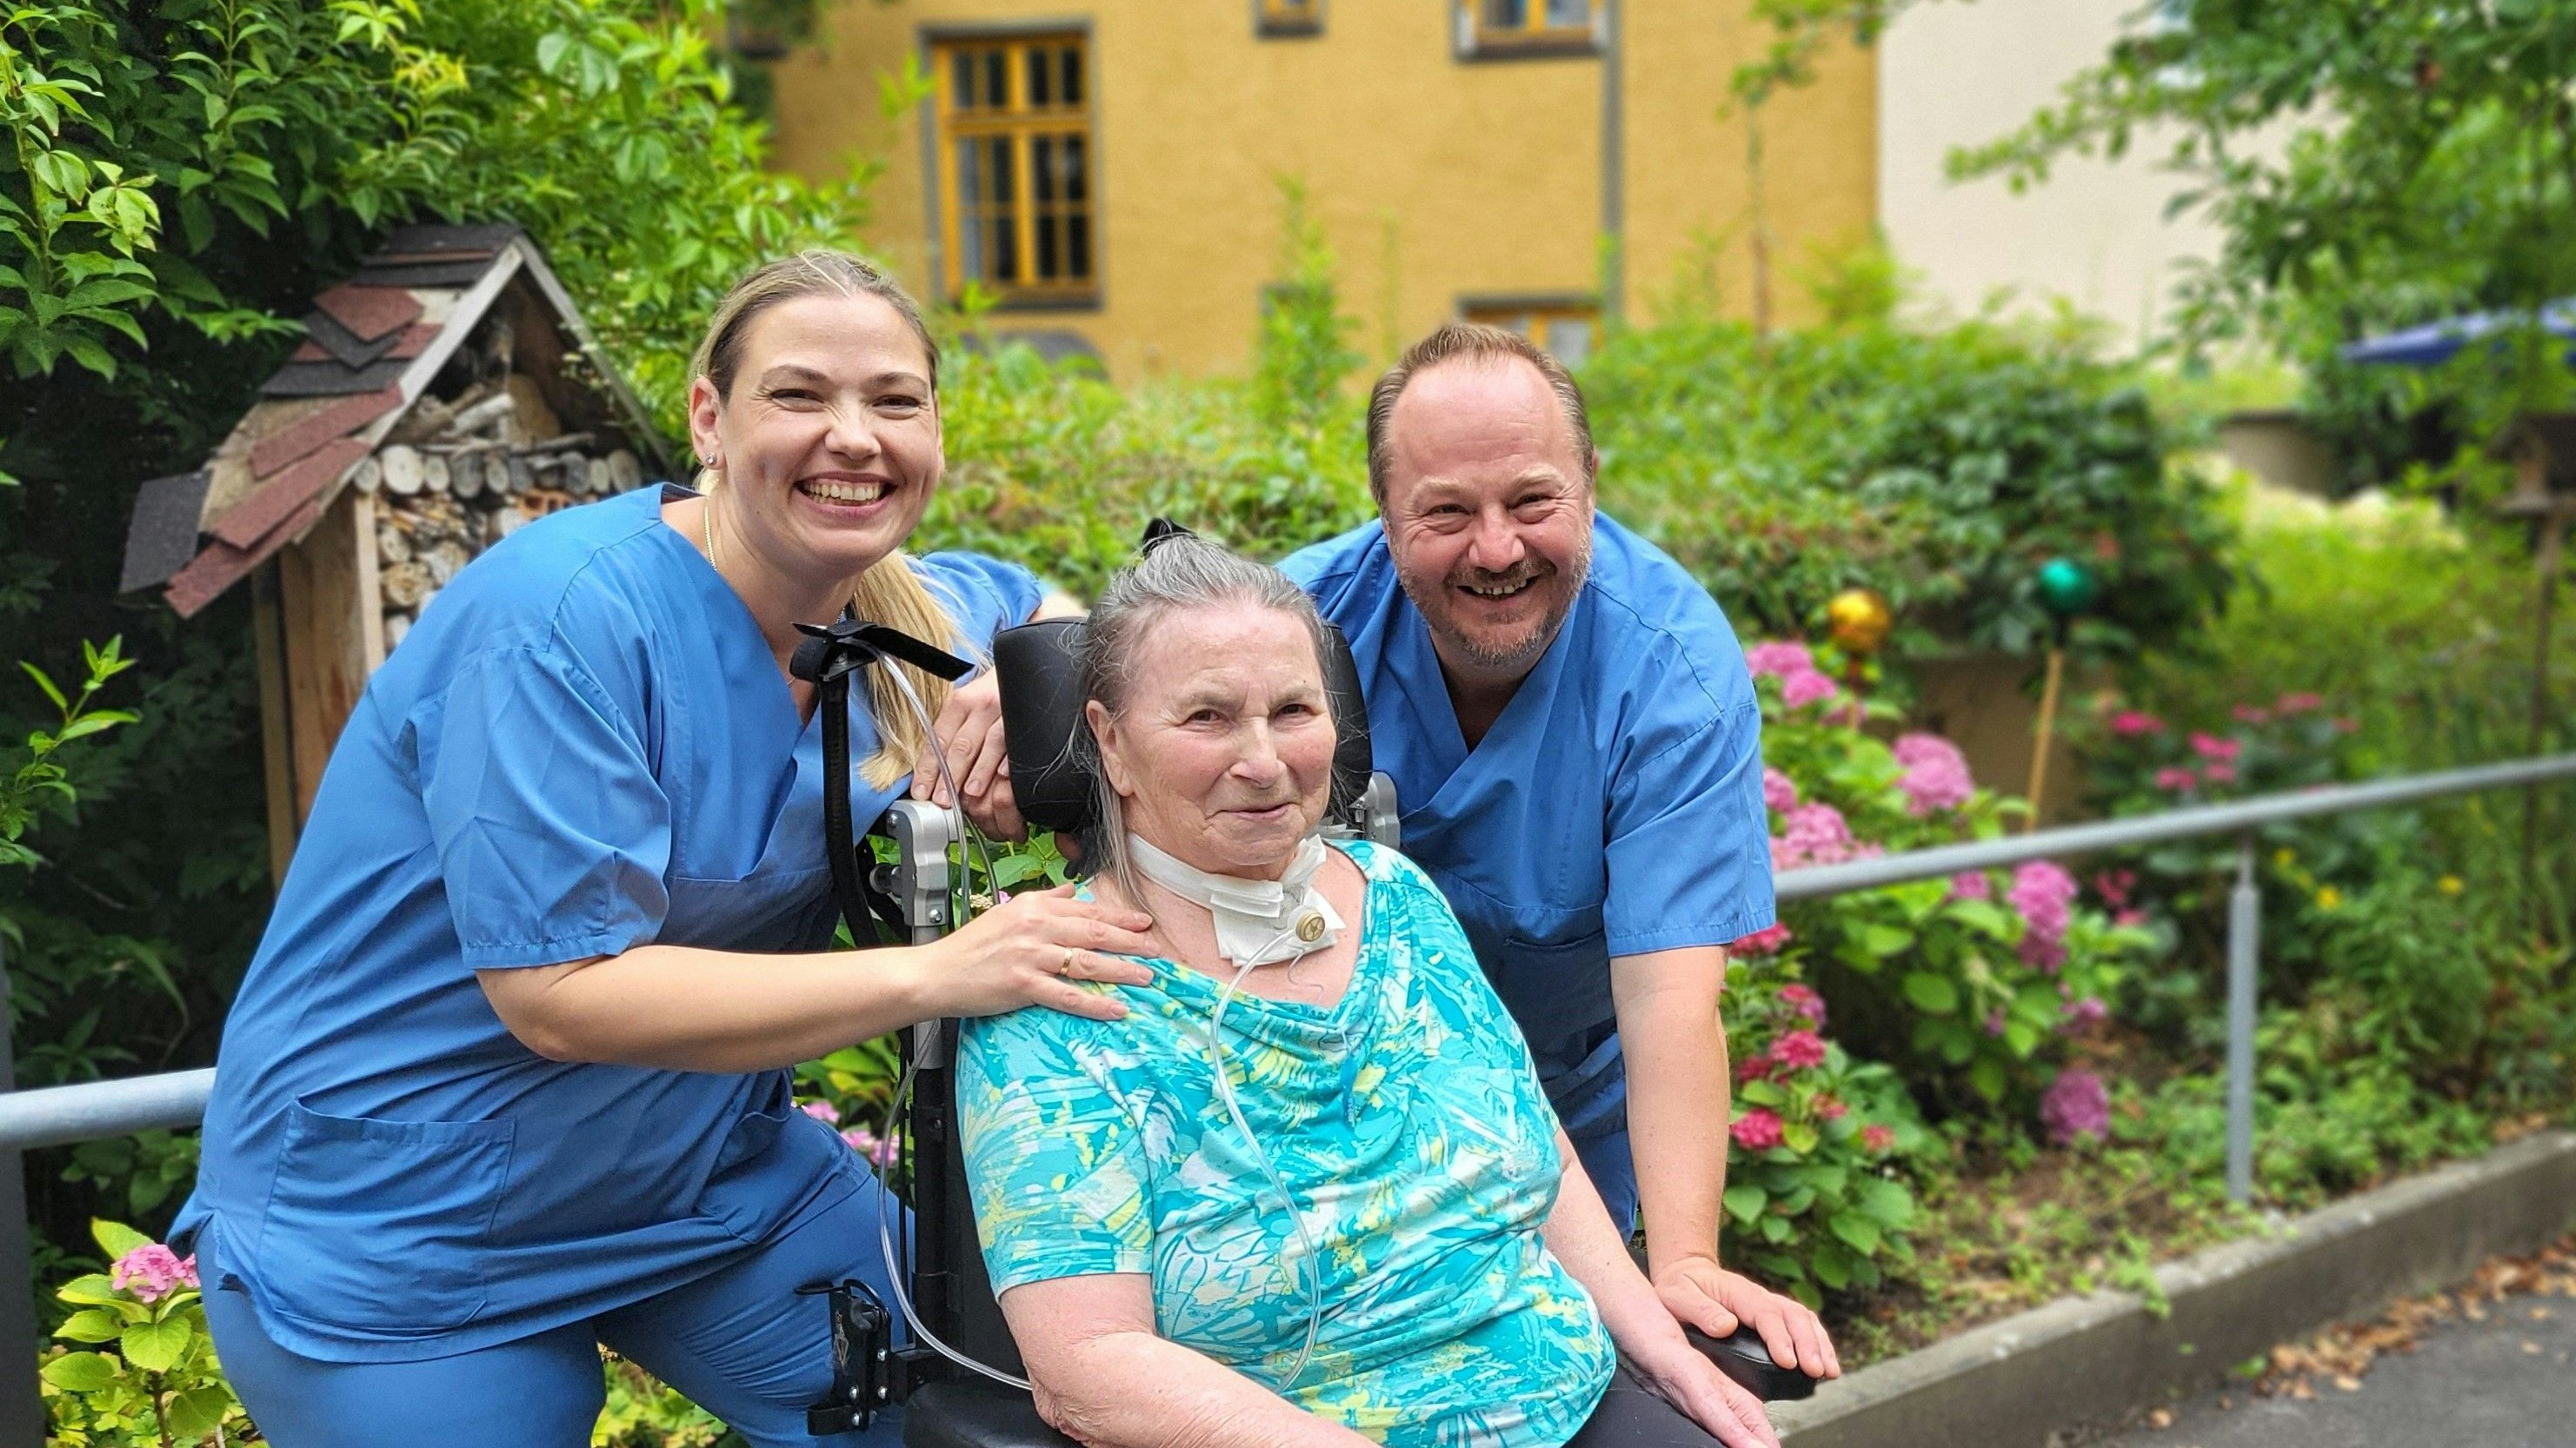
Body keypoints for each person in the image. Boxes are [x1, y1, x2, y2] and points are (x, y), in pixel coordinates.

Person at [174, 251, 1162, 1448]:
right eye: (798, 396)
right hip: (401, 1218)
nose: (852, 436)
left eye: (894, 401)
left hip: (701, 1182)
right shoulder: (557, 619)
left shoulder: (902, 614)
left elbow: (1079, 617)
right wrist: (943, 971)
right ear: (708, 415)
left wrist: (1041, 677)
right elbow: (557, 992)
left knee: (994, 1399)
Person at [958, 534, 1782, 1448]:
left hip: (1565, 1397)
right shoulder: (1055, 993)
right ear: (1109, 742)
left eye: (1292, 709)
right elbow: (1087, 1365)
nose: (1264, 759)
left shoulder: (1394, 898)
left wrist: (1659, 1348)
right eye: (1206, 718)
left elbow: (1532, 1146)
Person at [1276, 323, 1840, 1379]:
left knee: (1555, 1385)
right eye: (1445, 511)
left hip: (1563, 1126)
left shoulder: (1668, 667)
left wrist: (1681, 1259)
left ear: (1587, 484)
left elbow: (1671, 992)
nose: (1495, 549)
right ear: (1386, 515)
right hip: (1322, 1119)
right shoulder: (1290, 629)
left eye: (1531, 502)